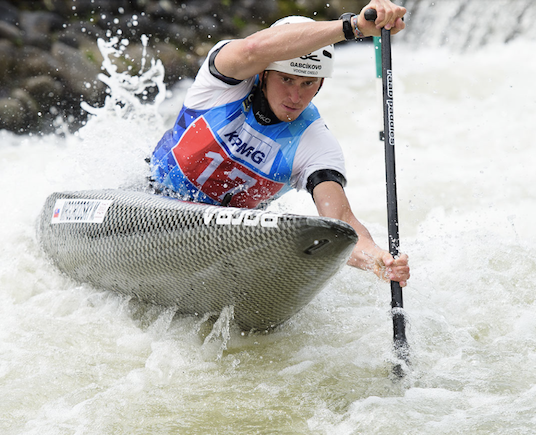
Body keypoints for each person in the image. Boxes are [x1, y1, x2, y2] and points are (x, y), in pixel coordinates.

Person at [148, 8, 410, 289]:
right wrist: (354, 27)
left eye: (308, 83)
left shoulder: (316, 143)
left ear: (321, 84)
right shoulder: (224, 81)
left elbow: (341, 221)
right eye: (286, 79)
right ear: (263, 73)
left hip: (222, 242)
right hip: (152, 199)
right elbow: (253, 48)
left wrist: (377, 259)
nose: (295, 96)